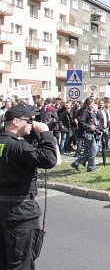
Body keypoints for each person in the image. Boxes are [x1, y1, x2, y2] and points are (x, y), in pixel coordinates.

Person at [0, 105, 58, 269]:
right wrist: (46, 134)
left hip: (3, 208)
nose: (33, 123)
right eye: (30, 120)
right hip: (20, 213)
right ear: (16, 122)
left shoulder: (6, 142)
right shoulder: (17, 146)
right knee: (21, 263)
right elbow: (49, 159)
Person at [71, 98, 100, 172]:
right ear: (89, 104)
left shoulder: (89, 111)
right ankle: (91, 167)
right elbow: (81, 122)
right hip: (87, 133)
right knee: (93, 150)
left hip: (90, 132)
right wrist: (89, 126)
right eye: (93, 103)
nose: (94, 105)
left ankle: (76, 162)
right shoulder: (85, 111)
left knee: (88, 151)